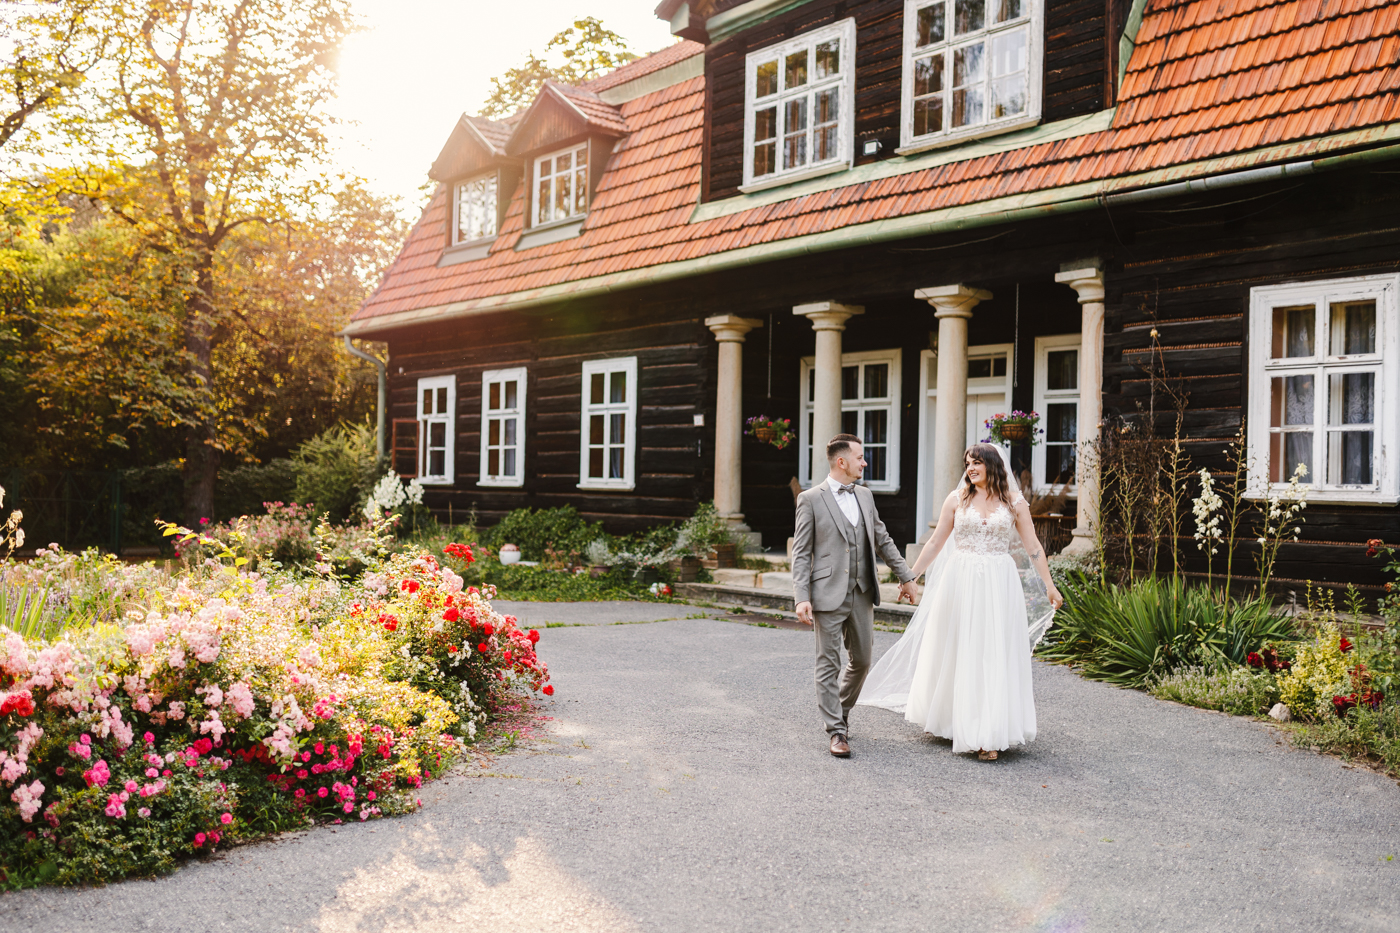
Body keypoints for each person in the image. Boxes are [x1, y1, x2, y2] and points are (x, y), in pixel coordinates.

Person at [856, 443, 1063, 761]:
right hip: (960, 579)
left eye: (977, 463)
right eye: (968, 463)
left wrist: (1049, 585)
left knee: (991, 651)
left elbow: (1033, 546)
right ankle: (950, 717)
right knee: (957, 646)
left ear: (993, 465)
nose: (971, 468)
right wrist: (911, 576)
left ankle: (988, 732)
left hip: (997, 581)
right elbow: (937, 541)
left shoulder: (1014, 503)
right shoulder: (956, 499)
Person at [792, 433, 919, 758]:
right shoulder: (810, 499)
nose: (865, 462)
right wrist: (801, 596)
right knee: (828, 662)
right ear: (842, 461)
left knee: (861, 661)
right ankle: (836, 731)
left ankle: (840, 711)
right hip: (826, 593)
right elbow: (802, 553)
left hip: (862, 591)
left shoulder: (864, 495)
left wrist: (907, 577)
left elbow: (882, 538)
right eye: (860, 457)